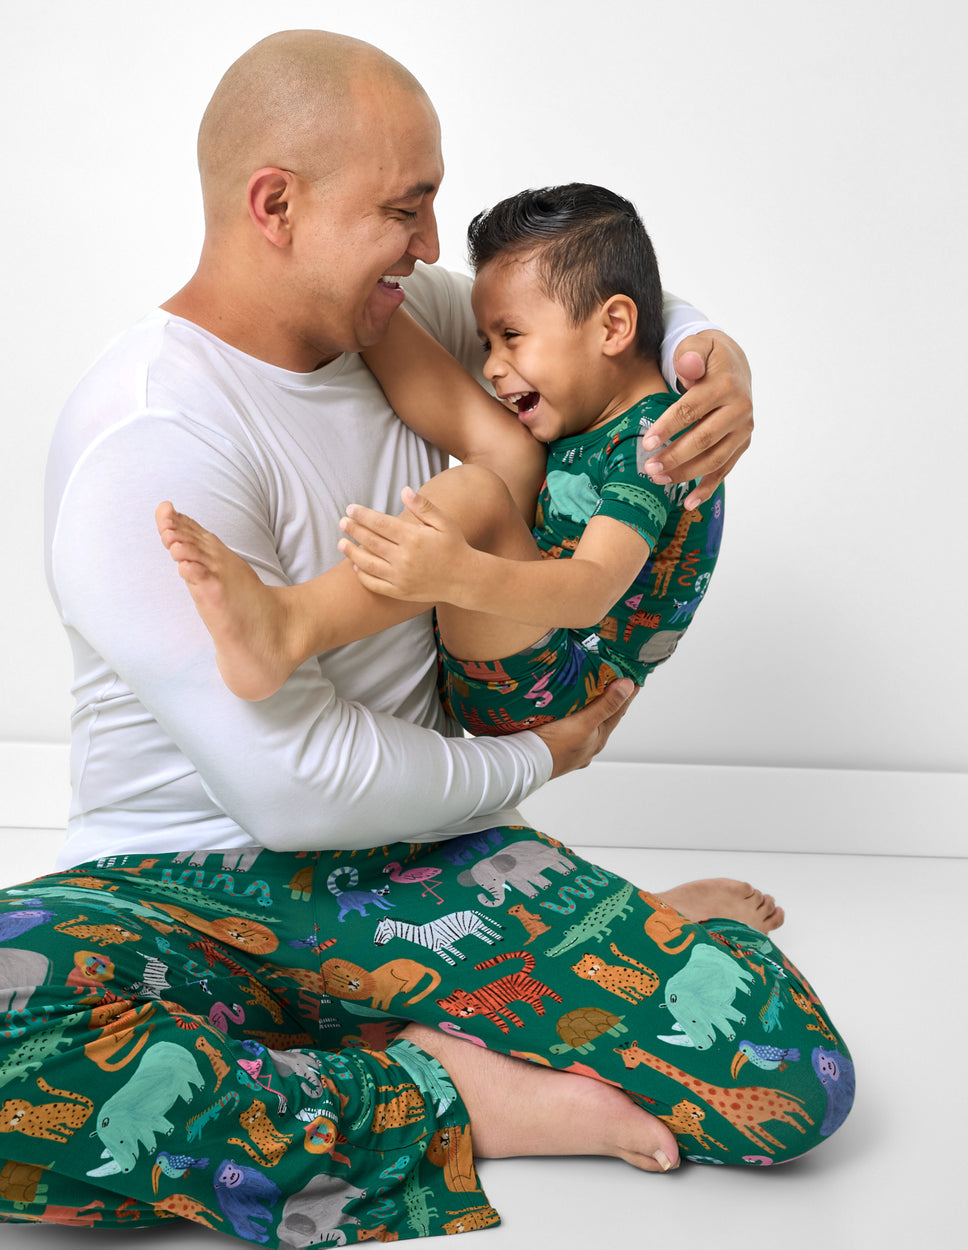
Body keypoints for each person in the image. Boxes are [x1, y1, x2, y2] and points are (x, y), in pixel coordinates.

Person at [0, 30, 852, 1245]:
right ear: (275, 205)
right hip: (170, 883)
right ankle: (450, 1081)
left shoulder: (408, 317)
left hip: (418, 865)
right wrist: (539, 759)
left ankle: (396, 1022)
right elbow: (291, 794)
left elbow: (597, 314)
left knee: (784, 1073)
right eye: (405, 207)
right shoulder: (146, 443)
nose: (428, 243)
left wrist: (712, 365)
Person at [155, 183, 725, 742]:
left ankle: (290, 626)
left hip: (563, 680)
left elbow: (592, 591)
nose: (496, 367)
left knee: (478, 493)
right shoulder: (597, 414)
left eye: (512, 336)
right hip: (521, 655)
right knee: (506, 450)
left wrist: (460, 575)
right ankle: (337, 296)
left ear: (614, 327)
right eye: (487, 345)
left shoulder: (657, 444)